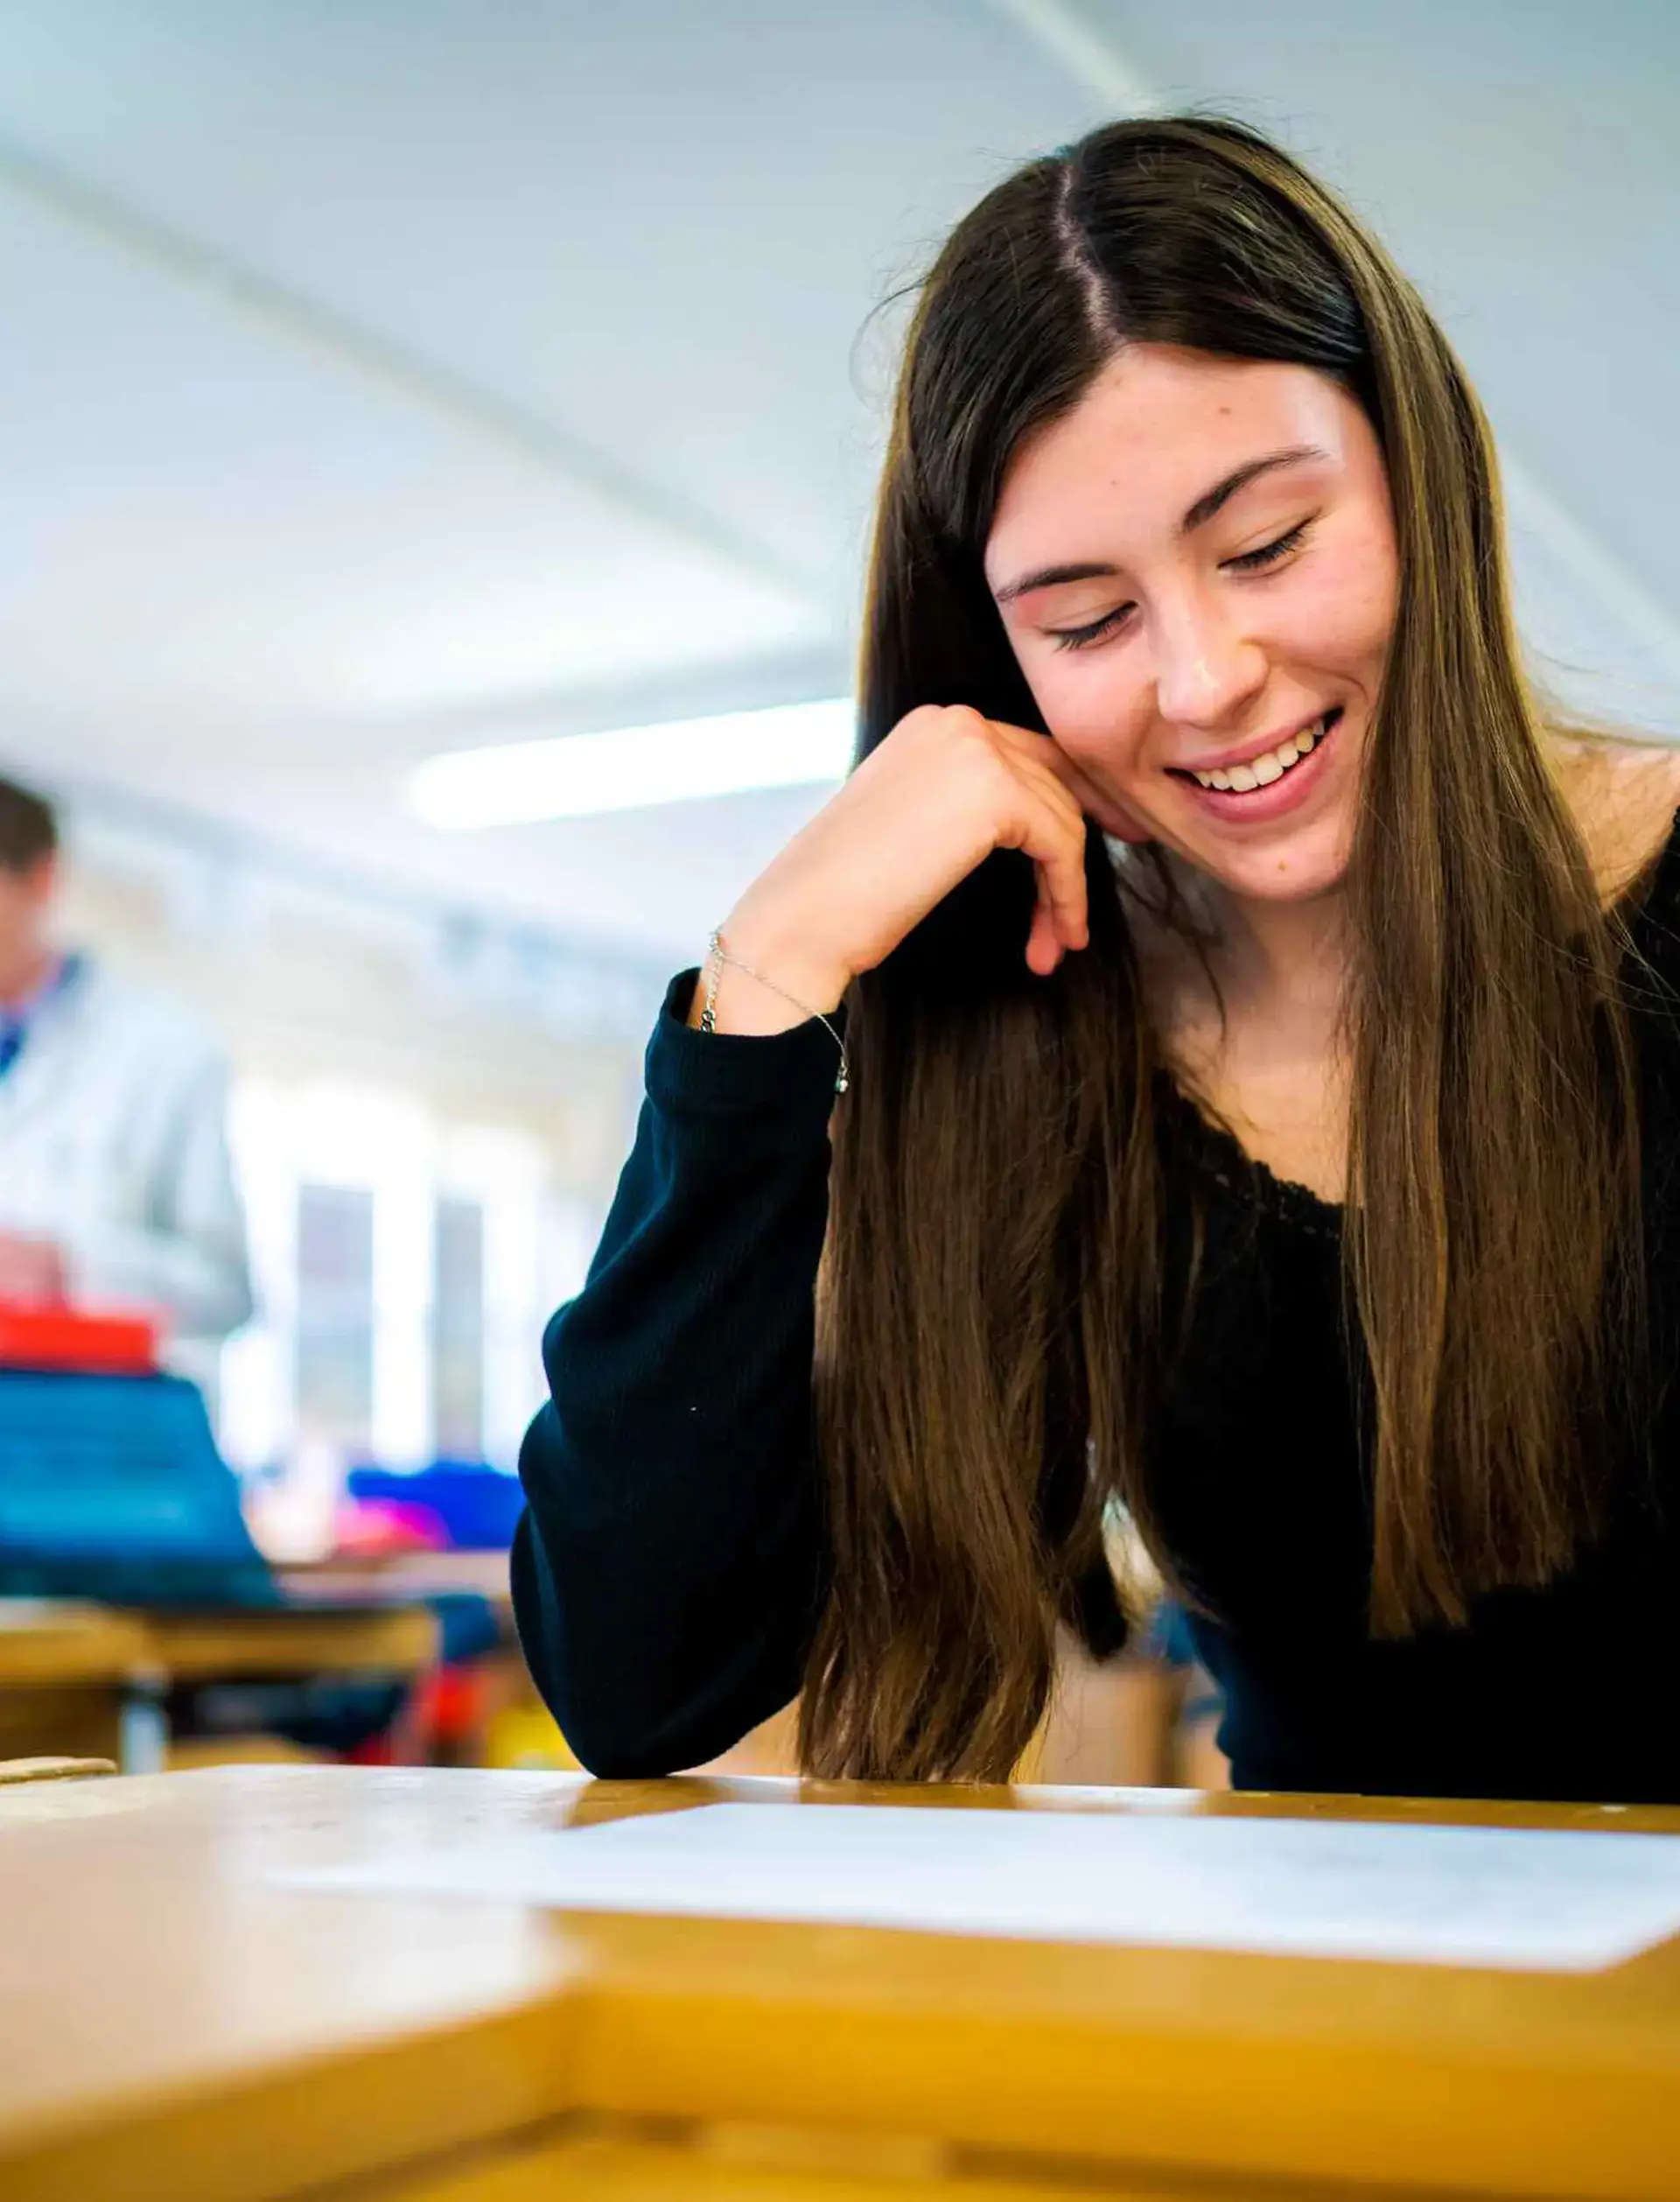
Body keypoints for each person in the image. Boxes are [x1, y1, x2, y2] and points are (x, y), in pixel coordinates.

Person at [513, 116, 1680, 1804]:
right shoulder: (1036, 1022)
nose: (1205, 679)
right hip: (1322, 2024)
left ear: (1424, 483)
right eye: (1084, 621)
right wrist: (763, 980)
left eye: (1269, 543)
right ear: (993, 656)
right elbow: (640, 1679)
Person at [0, 775, 252, 1387]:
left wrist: (67, 1269)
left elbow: (228, 1294)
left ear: (41, 878)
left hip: (95, 1447)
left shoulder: (165, 1051)